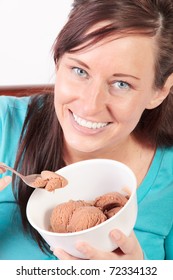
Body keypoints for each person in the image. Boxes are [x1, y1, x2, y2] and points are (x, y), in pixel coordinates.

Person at [0, 0, 173, 260]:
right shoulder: (4, 125)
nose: (90, 107)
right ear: (58, 61)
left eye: (121, 84)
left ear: (159, 90)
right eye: (80, 70)